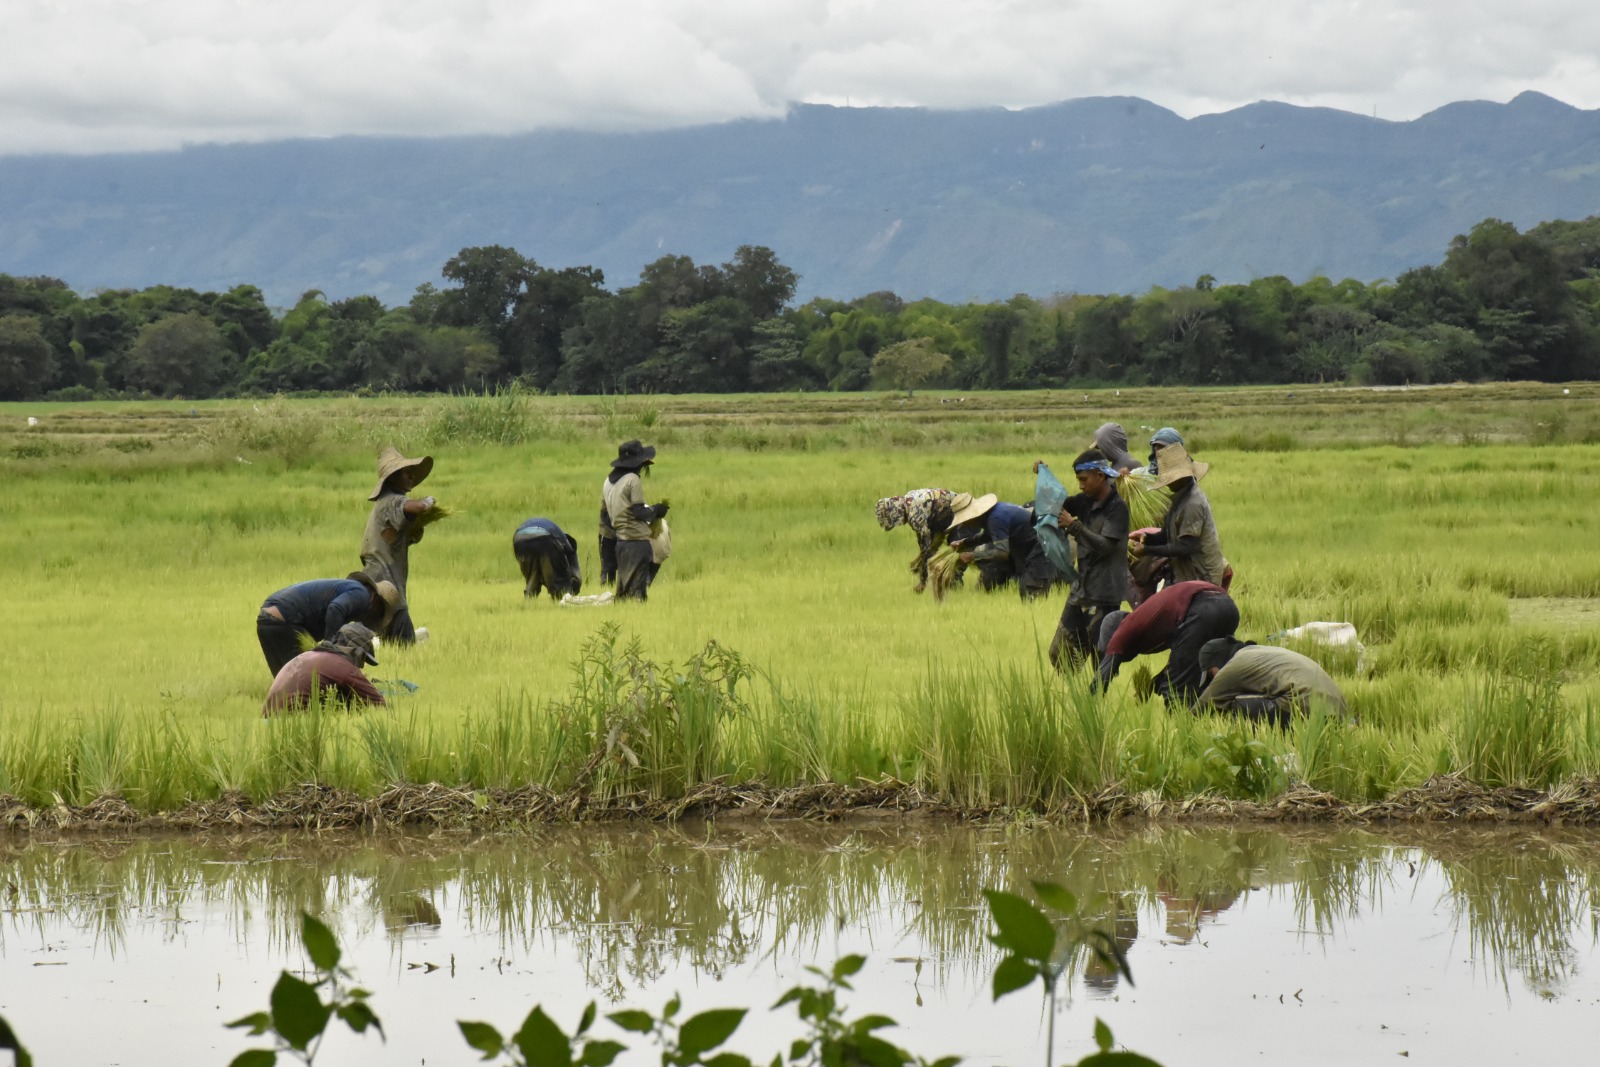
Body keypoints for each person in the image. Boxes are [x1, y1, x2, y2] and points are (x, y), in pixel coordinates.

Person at [1092, 580, 1239, 705]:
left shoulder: (1125, 628)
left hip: (1202, 608)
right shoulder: (1150, 621)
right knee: (1210, 673)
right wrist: (1156, 681)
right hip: (1228, 607)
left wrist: (1090, 703)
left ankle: (1179, 730)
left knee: (1176, 691)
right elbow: (1183, 653)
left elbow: (1103, 674)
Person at [1046, 450, 1129, 670]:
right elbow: (1059, 503)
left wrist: (1073, 526)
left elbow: (1106, 547)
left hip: (1103, 594)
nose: (1081, 486)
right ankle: (1075, 697)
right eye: (1078, 481)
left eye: (1084, 480)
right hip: (1080, 590)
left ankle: (1097, 701)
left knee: (1100, 659)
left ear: (1100, 477)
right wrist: (1045, 476)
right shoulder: (1085, 501)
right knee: (1060, 654)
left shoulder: (1117, 508)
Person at [361, 445, 438, 643]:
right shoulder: (391, 501)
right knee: (404, 641)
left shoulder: (387, 506)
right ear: (393, 478)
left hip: (378, 581)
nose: (411, 477)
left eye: (412, 473)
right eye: (406, 473)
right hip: (387, 584)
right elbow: (418, 506)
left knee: (390, 638)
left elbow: (399, 536)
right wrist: (428, 503)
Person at [256, 573, 398, 677]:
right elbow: (335, 609)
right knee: (306, 681)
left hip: (266, 620)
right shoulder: (362, 595)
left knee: (283, 682)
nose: (374, 617)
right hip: (286, 620)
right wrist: (330, 650)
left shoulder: (348, 589)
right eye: (379, 611)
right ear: (374, 597)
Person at [1131, 443, 1228, 587]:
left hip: (1201, 578)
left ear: (1182, 477)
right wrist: (1146, 539)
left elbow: (1186, 547)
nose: (1167, 484)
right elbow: (1167, 535)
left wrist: (1146, 550)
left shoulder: (1192, 503)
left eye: (1170, 479)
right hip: (1184, 575)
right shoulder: (1179, 498)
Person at [1196, 637, 1349, 726]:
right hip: (1338, 711)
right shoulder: (1262, 652)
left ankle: (1268, 748)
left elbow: (1201, 709)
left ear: (1218, 660)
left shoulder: (1236, 664)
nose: (1213, 679)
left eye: (1211, 673)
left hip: (1306, 705)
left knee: (1238, 704)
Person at [262, 622, 386, 716]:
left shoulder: (309, 655)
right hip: (291, 724)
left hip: (268, 721)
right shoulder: (343, 666)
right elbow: (380, 705)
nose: (362, 666)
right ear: (357, 652)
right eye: (363, 659)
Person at [949, 493, 1056, 600]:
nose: (963, 525)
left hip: (1044, 546)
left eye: (964, 520)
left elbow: (1001, 553)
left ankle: (1034, 613)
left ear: (972, 516)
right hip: (1029, 545)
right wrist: (964, 543)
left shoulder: (995, 518)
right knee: (994, 579)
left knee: (1030, 591)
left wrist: (972, 556)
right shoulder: (991, 515)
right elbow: (989, 535)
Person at [603, 439, 669, 600]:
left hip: (621, 543)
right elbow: (640, 512)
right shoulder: (632, 479)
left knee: (624, 593)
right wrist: (657, 510)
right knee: (638, 593)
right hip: (637, 543)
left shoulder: (608, 481)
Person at [875, 488, 971, 593]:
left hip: (961, 514)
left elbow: (927, 548)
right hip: (947, 518)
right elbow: (927, 538)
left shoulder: (914, 515)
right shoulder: (909, 499)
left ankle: (956, 590)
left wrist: (923, 581)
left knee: (955, 556)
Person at [512, 517, 583, 600]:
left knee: (532, 577)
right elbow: (577, 577)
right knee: (559, 584)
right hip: (545, 537)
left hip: (519, 538)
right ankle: (560, 601)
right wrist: (569, 588)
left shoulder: (559, 535)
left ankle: (529, 603)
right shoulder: (568, 547)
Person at [597, 474, 618, 586]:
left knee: (614, 566)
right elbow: (604, 513)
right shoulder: (609, 485)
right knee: (607, 567)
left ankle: (612, 588)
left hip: (620, 533)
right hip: (607, 533)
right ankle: (606, 588)